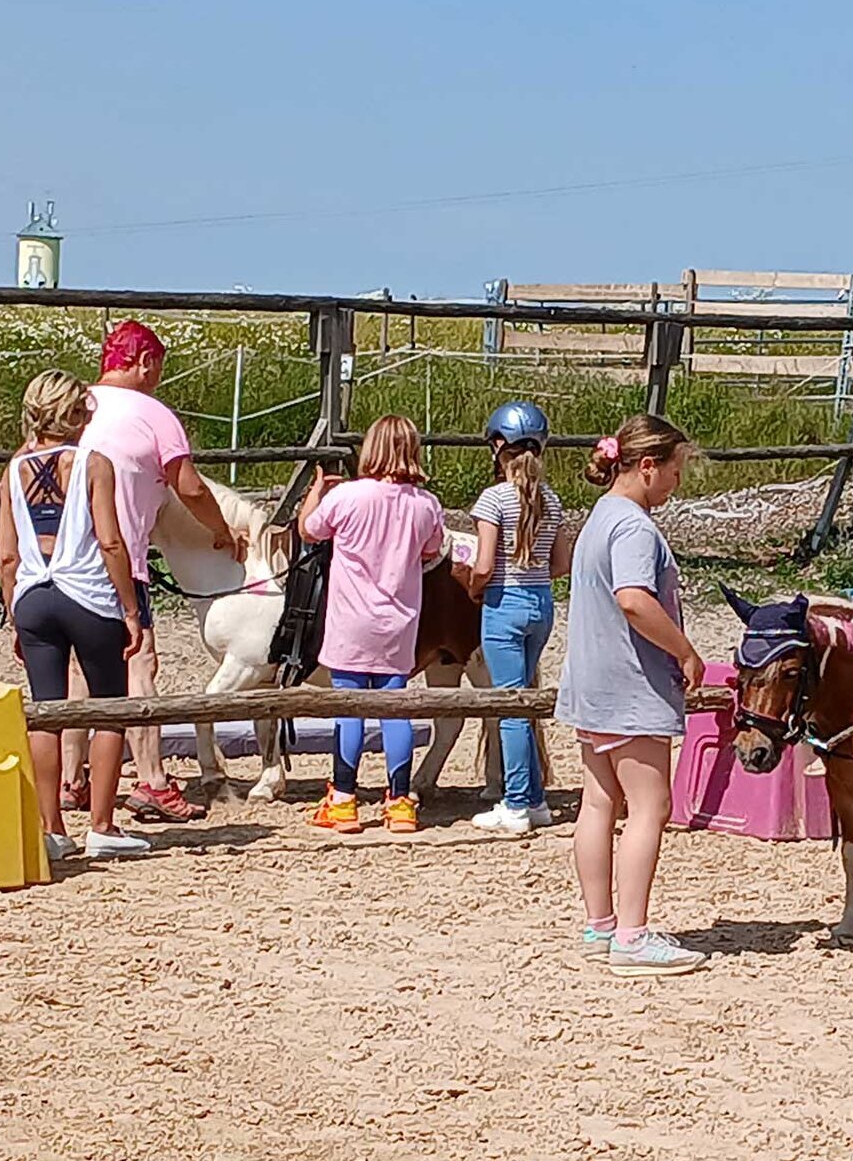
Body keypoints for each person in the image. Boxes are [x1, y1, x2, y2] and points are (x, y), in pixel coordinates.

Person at [58, 320, 246, 825]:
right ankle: (153, 781)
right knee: (139, 664)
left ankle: (71, 779)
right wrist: (222, 530)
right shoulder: (154, 414)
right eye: (157, 368)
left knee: (81, 669)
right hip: (120, 559)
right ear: (145, 362)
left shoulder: (76, 407)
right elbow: (189, 487)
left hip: (64, 564)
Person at [556, 413, 708, 978]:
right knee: (650, 807)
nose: (676, 482)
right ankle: (633, 935)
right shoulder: (635, 527)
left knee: (599, 802)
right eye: (674, 470)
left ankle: (600, 924)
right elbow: (634, 599)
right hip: (630, 683)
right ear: (647, 466)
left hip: (592, 681)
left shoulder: (600, 515)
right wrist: (685, 651)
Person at [0, 371, 149, 861]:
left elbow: (7, 555)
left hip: (33, 595)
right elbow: (110, 541)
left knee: (47, 712)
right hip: (86, 594)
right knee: (109, 708)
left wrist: (14, 615)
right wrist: (130, 609)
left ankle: (52, 829)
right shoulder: (93, 463)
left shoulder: (13, 470)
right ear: (75, 413)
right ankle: (101, 825)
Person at [299, 415, 446, 834]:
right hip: (398, 622)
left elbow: (309, 531)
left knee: (350, 709)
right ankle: (399, 802)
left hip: (350, 620)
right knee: (394, 708)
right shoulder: (426, 505)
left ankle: (343, 800)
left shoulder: (348, 496)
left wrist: (315, 492)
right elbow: (432, 550)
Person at [467, 401, 573, 836]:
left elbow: (484, 564)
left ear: (498, 446)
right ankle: (535, 798)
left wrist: (475, 588)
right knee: (525, 701)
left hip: (503, 602)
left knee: (510, 705)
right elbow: (561, 563)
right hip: (541, 602)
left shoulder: (494, 499)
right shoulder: (551, 499)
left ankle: (514, 804)